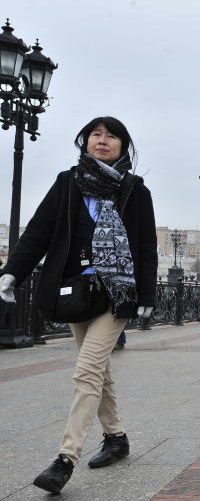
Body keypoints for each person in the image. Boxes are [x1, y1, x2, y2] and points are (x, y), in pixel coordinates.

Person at [0, 116, 156, 494]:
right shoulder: (67, 183)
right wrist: (12, 273)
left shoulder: (135, 190)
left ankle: (64, 459)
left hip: (115, 293)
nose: (102, 141)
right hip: (73, 291)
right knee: (98, 371)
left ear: (123, 145)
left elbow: (146, 247)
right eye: (95, 135)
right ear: (84, 142)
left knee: (86, 370)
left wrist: (148, 297)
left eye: (111, 136)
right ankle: (116, 437)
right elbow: (38, 230)